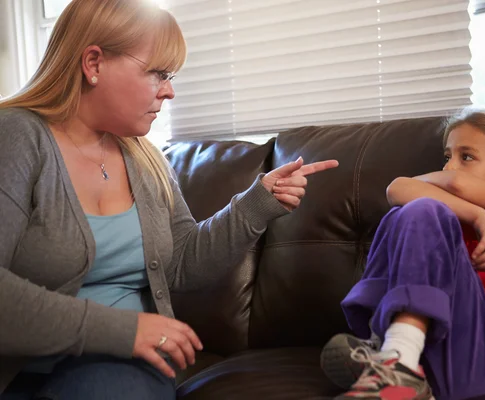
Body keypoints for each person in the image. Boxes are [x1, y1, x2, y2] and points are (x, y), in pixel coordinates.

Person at [0, 0, 338, 399]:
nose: (170, 91)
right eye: (157, 73)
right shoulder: (18, 136)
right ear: (93, 63)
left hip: (126, 369)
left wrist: (258, 202)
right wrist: (127, 330)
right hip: (26, 368)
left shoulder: (146, 157)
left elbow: (181, 264)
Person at [320, 108, 485, 400]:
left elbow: (455, 183)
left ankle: (396, 360)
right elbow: (397, 189)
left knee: (423, 209)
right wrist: (477, 215)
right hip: (436, 352)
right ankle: (394, 359)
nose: (449, 168)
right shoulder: (452, 224)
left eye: (466, 157)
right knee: (404, 215)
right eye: (448, 156)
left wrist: (474, 212)